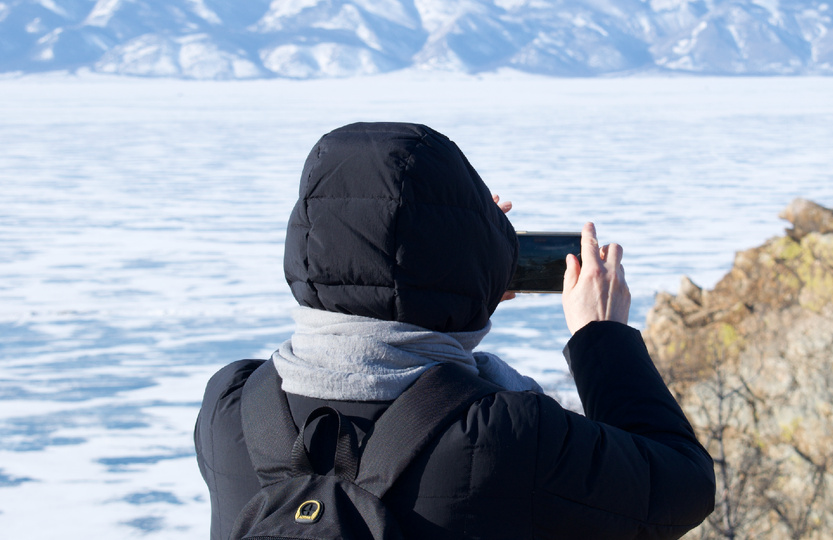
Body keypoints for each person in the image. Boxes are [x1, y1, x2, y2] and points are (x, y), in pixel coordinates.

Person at [194, 122, 715, 539]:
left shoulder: (231, 405)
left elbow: (386, 362)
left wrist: (461, 294)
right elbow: (682, 485)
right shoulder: (510, 435)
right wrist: (600, 336)